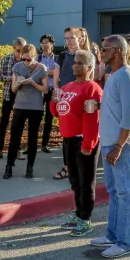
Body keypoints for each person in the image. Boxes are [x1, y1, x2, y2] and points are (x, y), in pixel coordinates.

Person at [89, 35, 130, 258]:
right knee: (114, 192)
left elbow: (128, 117)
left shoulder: (127, 76)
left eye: (105, 49)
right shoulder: (113, 76)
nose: (101, 52)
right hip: (109, 141)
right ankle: (112, 235)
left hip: (120, 145)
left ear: (118, 51)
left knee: (125, 192)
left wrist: (119, 146)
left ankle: (124, 242)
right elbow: (115, 107)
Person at [51, 49, 102, 237]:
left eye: (80, 63)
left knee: (85, 181)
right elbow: (57, 112)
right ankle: (78, 214)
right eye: (74, 62)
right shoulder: (68, 87)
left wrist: (88, 143)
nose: (75, 65)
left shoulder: (92, 88)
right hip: (68, 139)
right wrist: (53, 101)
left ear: (89, 67)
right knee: (74, 180)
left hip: (83, 139)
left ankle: (86, 219)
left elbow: (92, 119)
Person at [4, 44, 48, 179]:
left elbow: (46, 89)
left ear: (35, 56)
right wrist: (19, 83)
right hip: (20, 106)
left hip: (36, 107)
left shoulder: (41, 68)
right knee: (14, 137)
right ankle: (9, 166)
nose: (27, 62)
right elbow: (13, 89)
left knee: (32, 138)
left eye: (29, 59)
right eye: (24, 59)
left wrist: (33, 83)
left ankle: (30, 167)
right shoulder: (17, 67)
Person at [52, 27, 81, 180]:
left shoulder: (85, 56)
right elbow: (56, 81)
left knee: (81, 135)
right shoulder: (61, 57)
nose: (69, 41)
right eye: (66, 38)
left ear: (79, 39)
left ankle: (80, 165)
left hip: (80, 102)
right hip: (65, 101)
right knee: (66, 135)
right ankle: (66, 166)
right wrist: (58, 98)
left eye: (71, 37)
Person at [0, 37, 27, 161]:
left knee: (18, 123)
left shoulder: (26, 60)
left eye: (22, 50)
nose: (20, 53)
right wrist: (12, 78)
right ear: (13, 48)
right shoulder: (6, 59)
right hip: (8, 94)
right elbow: (0, 77)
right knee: (4, 122)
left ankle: (16, 150)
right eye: (18, 51)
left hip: (21, 95)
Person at [38, 34, 58, 153]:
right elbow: (35, 71)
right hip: (39, 89)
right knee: (36, 116)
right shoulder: (37, 58)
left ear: (52, 44)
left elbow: (56, 74)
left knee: (49, 118)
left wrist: (44, 71)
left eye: (47, 42)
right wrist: (50, 72)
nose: (45, 45)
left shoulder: (57, 58)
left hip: (51, 90)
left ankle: (44, 144)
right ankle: (32, 144)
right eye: (43, 42)